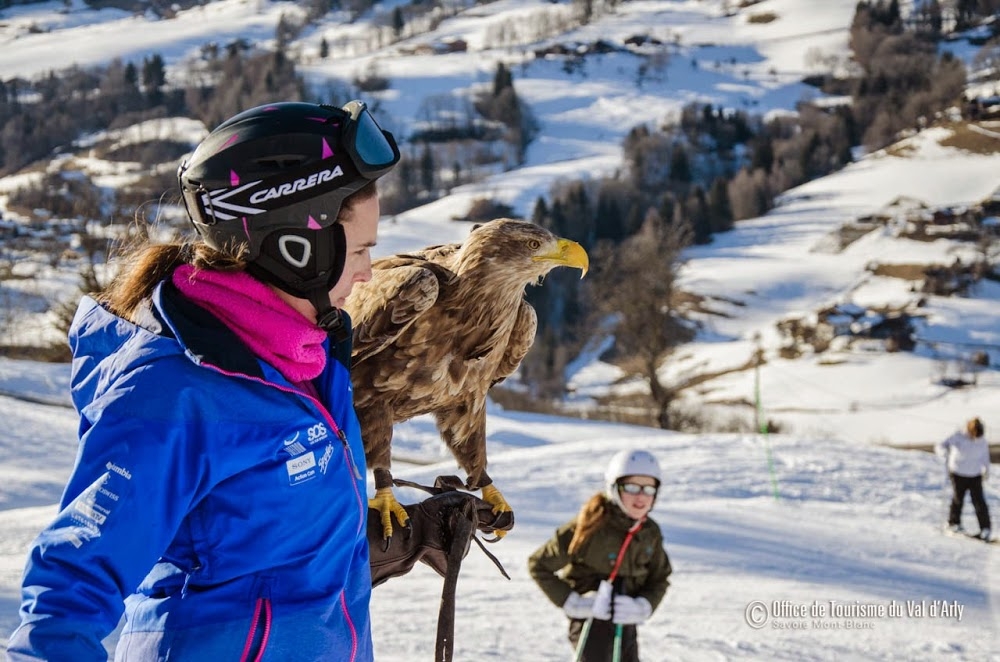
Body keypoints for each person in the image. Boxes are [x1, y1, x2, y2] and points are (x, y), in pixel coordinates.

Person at [7, 100, 400, 661]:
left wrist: (373, 537)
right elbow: (67, 593)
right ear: (297, 246)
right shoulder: (174, 390)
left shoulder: (307, 358)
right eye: (360, 249)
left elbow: (257, 542)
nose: (366, 272)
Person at [528, 449, 672, 662]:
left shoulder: (650, 532)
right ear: (614, 488)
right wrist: (572, 602)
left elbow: (660, 578)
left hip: (625, 622)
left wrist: (643, 606)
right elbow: (539, 565)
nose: (641, 496)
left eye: (649, 489)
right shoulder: (589, 524)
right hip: (590, 622)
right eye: (632, 487)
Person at [936, 417, 992, 540]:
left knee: (979, 502)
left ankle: (985, 528)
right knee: (958, 499)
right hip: (958, 473)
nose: (976, 438)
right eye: (975, 435)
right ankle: (954, 523)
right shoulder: (958, 436)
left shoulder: (982, 441)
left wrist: (986, 470)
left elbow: (985, 456)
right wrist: (943, 453)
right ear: (970, 430)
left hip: (975, 474)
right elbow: (940, 445)